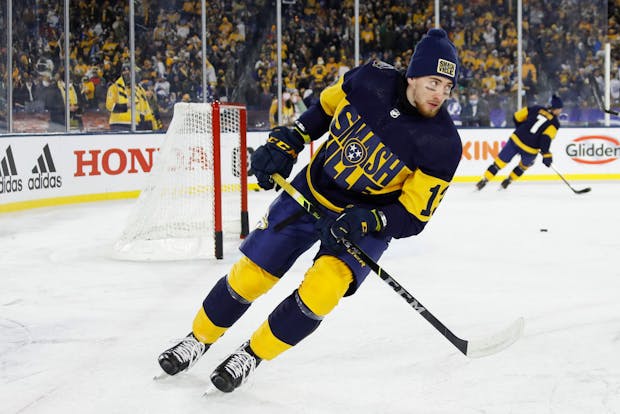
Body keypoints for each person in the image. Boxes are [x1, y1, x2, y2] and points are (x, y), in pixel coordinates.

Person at [157, 28, 463, 393]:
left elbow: (413, 216)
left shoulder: (443, 144)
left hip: (364, 224)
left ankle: (250, 356)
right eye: (434, 82)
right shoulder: (370, 78)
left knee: (323, 291)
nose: (440, 95)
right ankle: (198, 339)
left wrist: (373, 219)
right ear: (412, 75)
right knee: (250, 276)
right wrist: (293, 138)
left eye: (448, 87)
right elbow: (325, 110)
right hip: (311, 192)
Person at [475, 94, 563, 190]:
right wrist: (546, 154)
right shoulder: (554, 123)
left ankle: (485, 179)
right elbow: (545, 138)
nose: (561, 111)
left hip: (516, 139)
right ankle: (508, 180)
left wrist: (521, 129)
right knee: (523, 167)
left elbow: (517, 116)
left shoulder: (535, 108)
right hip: (530, 149)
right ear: (556, 108)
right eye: (560, 109)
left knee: (499, 163)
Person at [105, 63, 161, 131]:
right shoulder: (114, 87)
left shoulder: (139, 89)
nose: (127, 73)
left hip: (137, 124)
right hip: (120, 123)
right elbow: (109, 105)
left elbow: (146, 110)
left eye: (129, 71)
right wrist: (125, 106)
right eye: (125, 71)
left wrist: (152, 126)